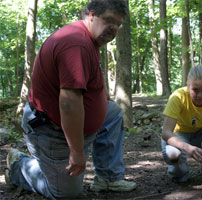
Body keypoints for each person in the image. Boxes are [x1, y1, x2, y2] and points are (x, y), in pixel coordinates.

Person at [5, 0, 136, 199]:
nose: (114, 28)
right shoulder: (76, 44)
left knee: (113, 113)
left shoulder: (91, 39)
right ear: (92, 15)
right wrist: (76, 152)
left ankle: (108, 178)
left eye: (118, 24)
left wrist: (101, 97)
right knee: (65, 194)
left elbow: (86, 79)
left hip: (70, 124)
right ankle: (19, 166)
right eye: (109, 21)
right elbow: (68, 102)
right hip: (51, 130)